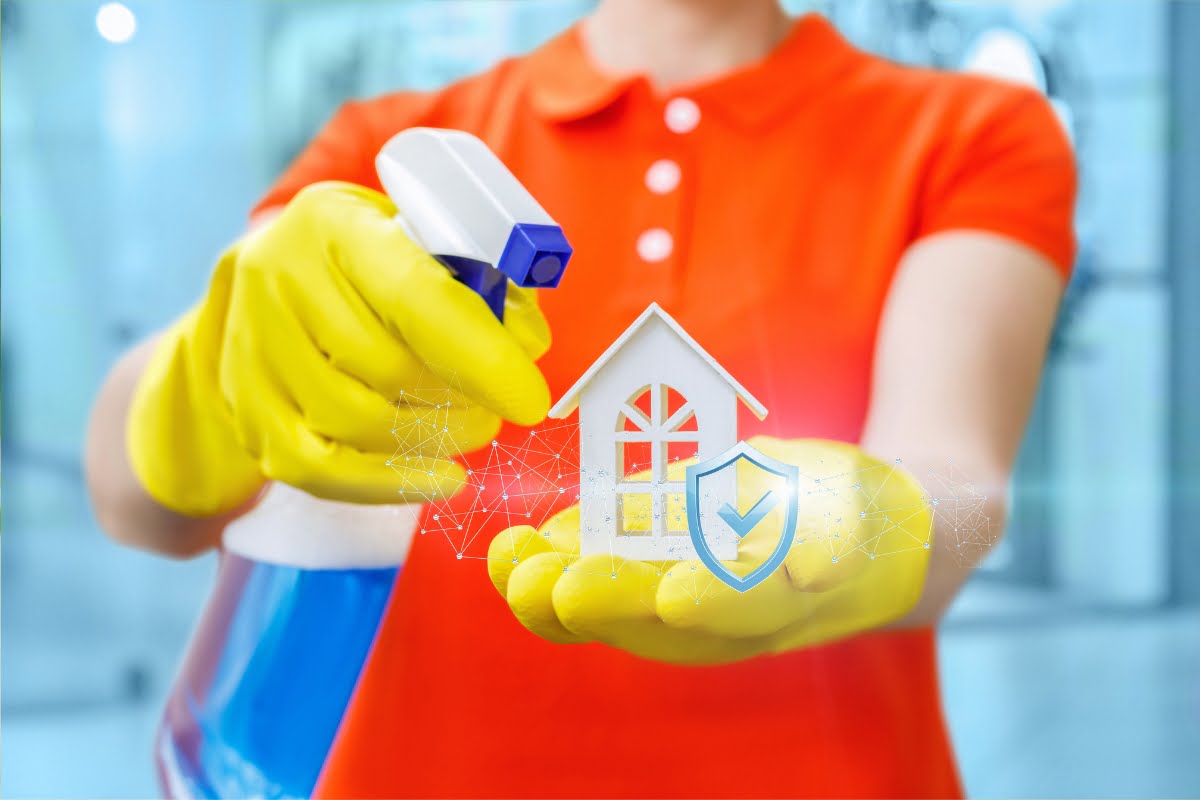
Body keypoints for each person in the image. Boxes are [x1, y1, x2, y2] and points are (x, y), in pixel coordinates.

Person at [85, 0, 1075, 795]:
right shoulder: (404, 150)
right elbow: (134, 498)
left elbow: (958, 480)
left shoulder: (973, 130)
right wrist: (202, 386)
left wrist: (879, 523)